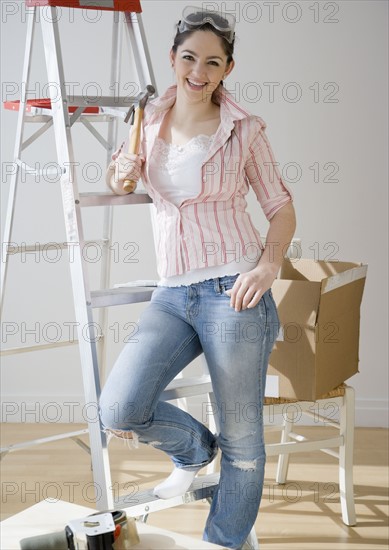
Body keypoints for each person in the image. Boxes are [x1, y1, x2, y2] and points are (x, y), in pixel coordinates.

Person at [99, 6, 296, 549]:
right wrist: (119, 176)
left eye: (213, 62)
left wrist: (268, 263)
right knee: (119, 407)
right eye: (189, 58)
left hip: (233, 291)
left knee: (244, 440)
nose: (198, 71)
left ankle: (222, 542)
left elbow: (280, 206)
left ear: (227, 68)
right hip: (173, 292)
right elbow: (119, 177)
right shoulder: (149, 117)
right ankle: (193, 450)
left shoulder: (245, 129)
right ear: (173, 58)